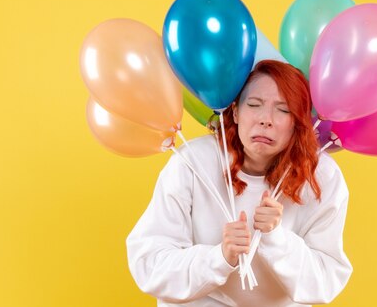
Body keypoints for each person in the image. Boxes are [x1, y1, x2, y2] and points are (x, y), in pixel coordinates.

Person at [126, 60, 352, 306]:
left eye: (283, 110)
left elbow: (326, 281)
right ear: (235, 112)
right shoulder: (192, 163)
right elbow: (149, 264)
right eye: (254, 105)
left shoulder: (322, 176)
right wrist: (220, 257)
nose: (266, 120)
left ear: (297, 123)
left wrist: (277, 238)